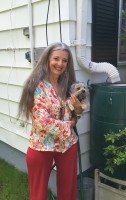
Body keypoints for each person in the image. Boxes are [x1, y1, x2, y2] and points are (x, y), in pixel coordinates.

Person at [18, 42, 83, 200]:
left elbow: (76, 112)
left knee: (68, 193)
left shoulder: (69, 85)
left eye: (64, 60)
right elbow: (42, 122)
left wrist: (78, 109)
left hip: (67, 144)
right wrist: (71, 124)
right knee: (38, 195)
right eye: (56, 59)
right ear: (47, 59)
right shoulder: (37, 86)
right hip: (41, 145)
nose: (60, 64)